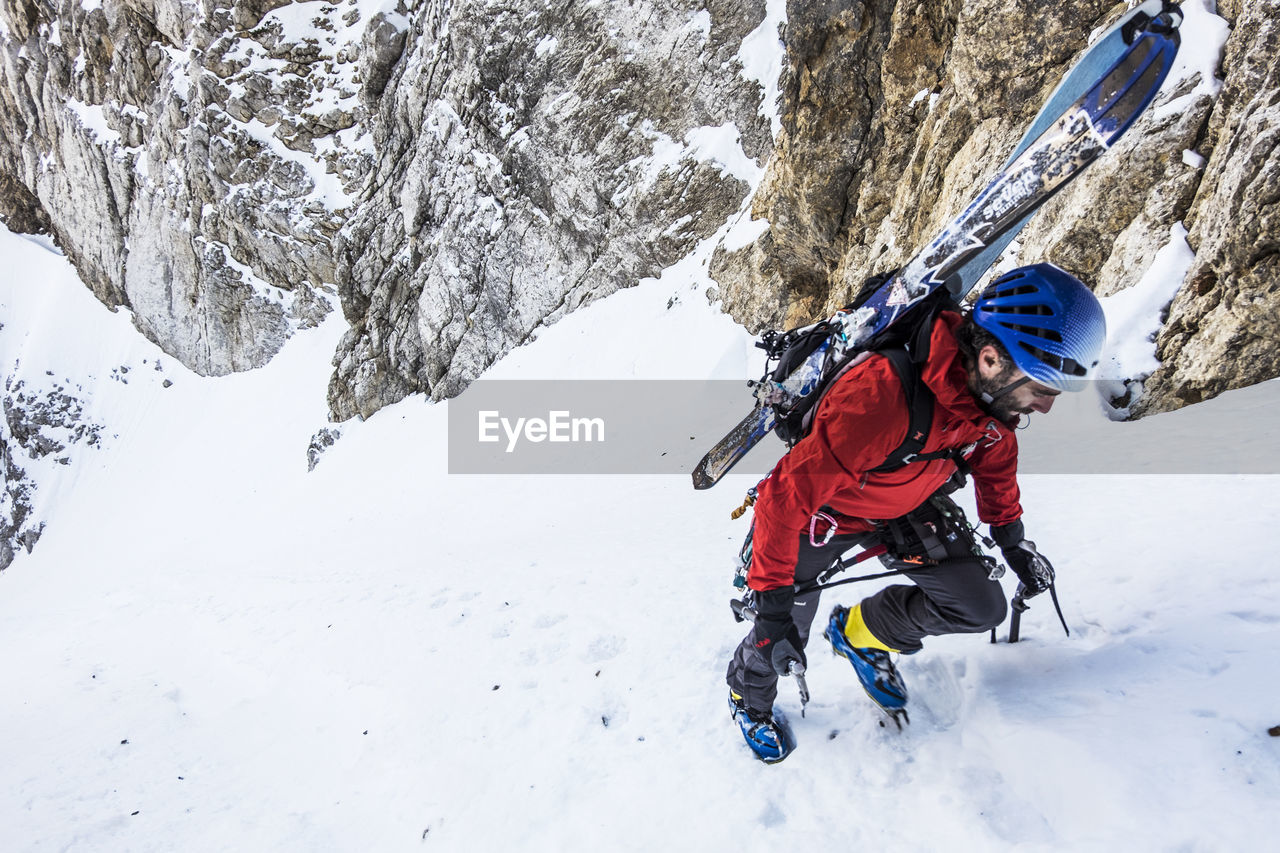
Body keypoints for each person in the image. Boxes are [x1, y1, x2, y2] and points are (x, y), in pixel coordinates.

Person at [726, 263, 1107, 763]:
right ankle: (748, 700)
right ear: (990, 358)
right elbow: (784, 498)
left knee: (979, 606)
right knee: (779, 633)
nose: (1045, 406)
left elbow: (995, 467)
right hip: (829, 514)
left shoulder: (988, 405)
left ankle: (858, 635)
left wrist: (1012, 540)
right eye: (1041, 388)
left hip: (906, 500)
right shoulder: (878, 400)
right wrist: (773, 607)